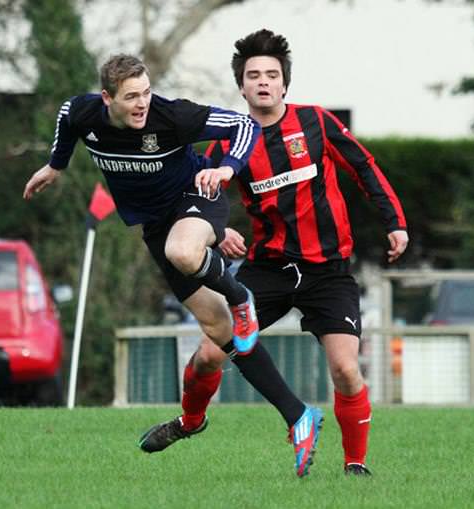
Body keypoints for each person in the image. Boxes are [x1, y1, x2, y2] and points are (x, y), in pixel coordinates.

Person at [23, 54, 323, 477]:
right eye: (131, 97)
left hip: (198, 197)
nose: (142, 103)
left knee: (183, 253)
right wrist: (56, 164)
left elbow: (245, 126)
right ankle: (296, 417)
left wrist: (225, 168)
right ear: (108, 97)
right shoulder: (86, 111)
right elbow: (67, 115)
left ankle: (240, 297)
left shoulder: (173, 116)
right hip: (156, 226)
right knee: (219, 332)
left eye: (146, 92)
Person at [150, 29, 409, 476]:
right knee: (210, 353)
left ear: (284, 83)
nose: (263, 82)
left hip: (327, 271)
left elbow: (364, 167)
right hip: (267, 269)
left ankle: (355, 466)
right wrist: (219, 229)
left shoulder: (317, 123)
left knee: (347, 370)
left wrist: (395, 222)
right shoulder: (229, 140)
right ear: (242, 86)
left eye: (271, 74)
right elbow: (197, 198)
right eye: (254, 75)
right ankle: (191, 420)